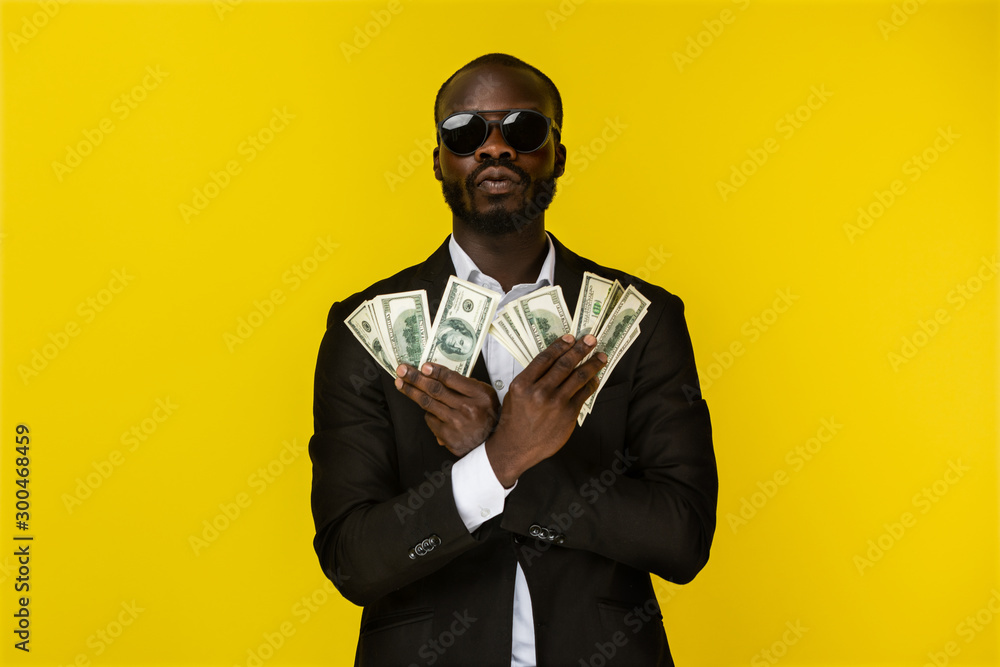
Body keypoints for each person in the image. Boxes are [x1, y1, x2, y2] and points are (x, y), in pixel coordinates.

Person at [309, 52, 718, 666]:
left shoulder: (645, 318)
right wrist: (501, 459)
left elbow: (681, 539)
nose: (495, 148)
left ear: (557, 151)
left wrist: (506, 463)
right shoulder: (361, 326)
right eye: (466, 131)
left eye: (523, 129)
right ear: (440, 159)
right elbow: (354, 561)